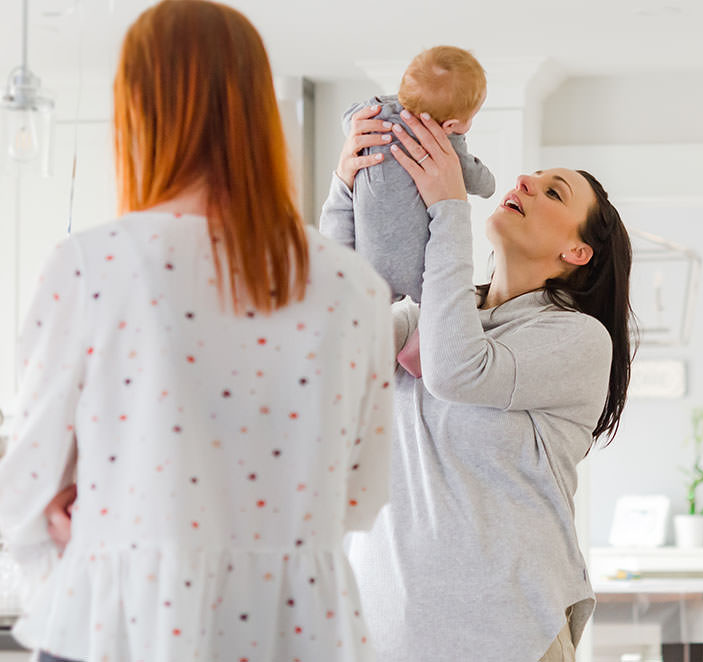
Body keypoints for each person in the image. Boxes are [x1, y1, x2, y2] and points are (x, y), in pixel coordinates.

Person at [0, 2, 393, 661]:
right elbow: (360, 496)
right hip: (292, 631)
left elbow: (27, 489)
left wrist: (102, 523)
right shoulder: (355, 288)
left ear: (136, 112)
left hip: (120, 627)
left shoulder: (94, 265)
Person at [325, 107, 634, 661]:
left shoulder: (578, 339)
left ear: (577, 253)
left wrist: (448, 208)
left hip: (508, 638)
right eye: (531, 178)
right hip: (384, 636)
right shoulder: (433, 315)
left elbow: (457, 369)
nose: (524, 184)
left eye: (553, 194)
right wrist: (346, 195)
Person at [320, 45, 496, 304]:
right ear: (449, 124)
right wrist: (490, 182)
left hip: (366, 267)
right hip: (417, 273)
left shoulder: (372, 115)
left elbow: (348, 119)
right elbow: (479, 181)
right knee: (437, 307)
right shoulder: (446, 142)